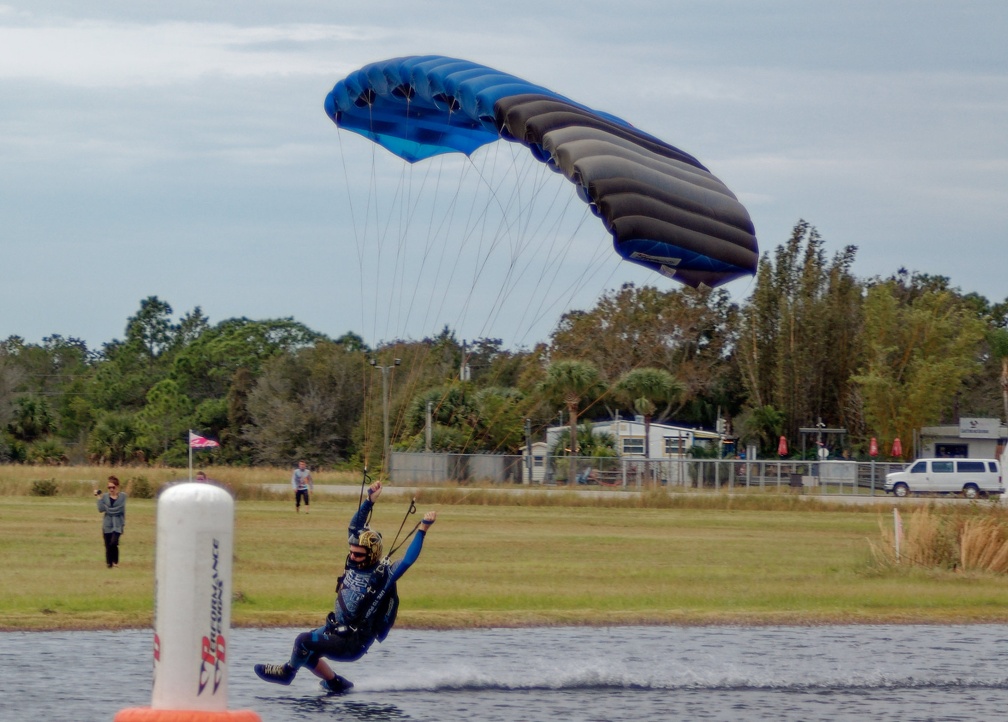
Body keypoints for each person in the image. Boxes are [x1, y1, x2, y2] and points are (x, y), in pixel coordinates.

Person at [254, 480, 437, 693]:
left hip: (352, 641)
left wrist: (423, 528)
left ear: (372, 554)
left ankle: (287, 673)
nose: (352, 556)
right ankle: (336, 684)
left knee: (303, 641)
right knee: (306, 650)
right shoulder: (353, 561)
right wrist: (369, 501)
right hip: (337, 629)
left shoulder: (383, 576)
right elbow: (354, 527)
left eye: (358, 554)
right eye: (351, 551)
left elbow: (407, 560)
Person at [95, 475, 126, 568]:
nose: (111, 489)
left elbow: (119, 510)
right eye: (109, 487)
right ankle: (109, 564)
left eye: (113, 487)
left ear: (117, 486)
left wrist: (107, 509)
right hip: (107, 524)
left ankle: (115, 561)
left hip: (118, 524)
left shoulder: (123, 496)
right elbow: (101, 509)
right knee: (107, 545)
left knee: (114, 543)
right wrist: (99, 497)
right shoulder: (105, 496)